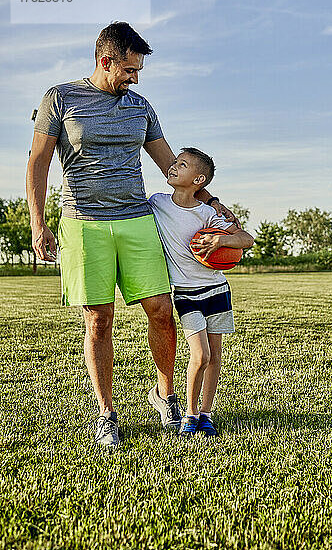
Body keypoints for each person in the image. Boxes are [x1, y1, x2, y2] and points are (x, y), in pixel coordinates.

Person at [26, 22, 238, 451]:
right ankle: (106, 414)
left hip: (137, 219)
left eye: (138, 70)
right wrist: (38, 222)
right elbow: (38, 162)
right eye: (129, 68)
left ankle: (165, 396)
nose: (135, 77)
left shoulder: (140, 106)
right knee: (98, 319)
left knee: (161, 310)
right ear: (106, 61)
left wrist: (212, 201)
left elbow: (168, 162)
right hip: (83, 222)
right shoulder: (60, 98)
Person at [149, 148, 254, 437]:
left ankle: (206, 414)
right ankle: (190, 414)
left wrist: (221, 242)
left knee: (215, 356)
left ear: (198, 179)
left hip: (217, 290)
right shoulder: (157, 203)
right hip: (186, 294)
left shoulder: (207, 213)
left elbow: (247, 239)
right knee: (200, 355)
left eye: (181, 165)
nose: (172, 167)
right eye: (174, 163)